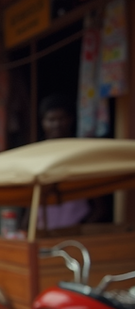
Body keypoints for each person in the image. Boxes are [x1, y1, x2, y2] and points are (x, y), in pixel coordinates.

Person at [36, 94, 110, 228]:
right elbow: (31, 202)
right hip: (43, 233)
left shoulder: (80, 154)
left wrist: (81, 229)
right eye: (51, 120)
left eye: (61, 119)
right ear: (43, 122)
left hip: (73, 235)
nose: (56, 124)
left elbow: (100, 207)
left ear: (70, 119)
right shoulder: (36, 155)